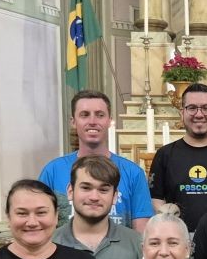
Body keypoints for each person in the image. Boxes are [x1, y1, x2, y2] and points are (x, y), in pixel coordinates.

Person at [39, 90, 153, 232]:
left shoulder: (133, 173)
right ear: (73, 121)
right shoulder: (53, 171)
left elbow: (141, 234)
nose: (92, 122)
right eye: (84, 115)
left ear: (109, 121)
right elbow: (41, 224)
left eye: (100, 115)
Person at [149, 83, 207, 228]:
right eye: (192, 108)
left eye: (206, 108)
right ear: (182, 113)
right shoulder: (165, 154)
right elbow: (155, 198)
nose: (199, 114)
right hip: (179, 239)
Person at [53, 154, 144, 259]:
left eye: (103, 190)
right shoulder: (50, 243)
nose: (94, 197)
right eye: (86, 188)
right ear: (70, 191)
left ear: (114, 196)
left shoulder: (138, 244)